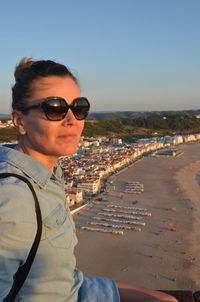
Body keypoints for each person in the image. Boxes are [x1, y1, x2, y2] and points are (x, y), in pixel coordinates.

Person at [0, 58, 177, 302]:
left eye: (79, 107)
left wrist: (132, 294)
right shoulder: (11, 199)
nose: (72, 119)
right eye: (54, 108)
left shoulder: (49, 178)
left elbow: (57, 284)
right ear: (20, 121)